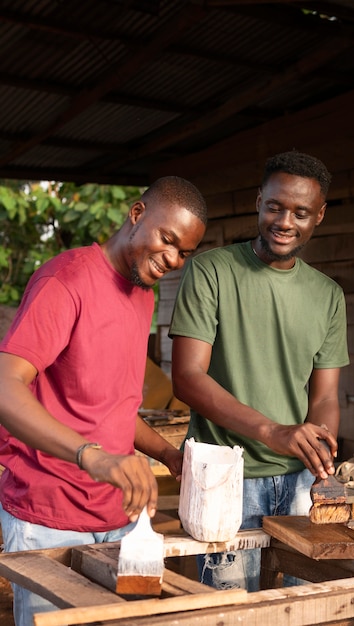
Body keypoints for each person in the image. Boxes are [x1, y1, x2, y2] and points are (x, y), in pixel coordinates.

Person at [0, 176, 207, 626]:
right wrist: (89, 456)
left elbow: (113, 406)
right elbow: (5, 386)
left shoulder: (142, 295)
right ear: (136, 214)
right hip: (47, 518)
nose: (172, 259)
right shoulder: (65, 280)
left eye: (184, 253)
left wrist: (167, 453)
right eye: (167, 239)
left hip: (119, 515)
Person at [169, 151, 349, 591]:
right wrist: (273, 432)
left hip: (301, 483)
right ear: (258, 202)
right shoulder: (211, 271)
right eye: (275, 206)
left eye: (300, 212)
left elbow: (324, 396)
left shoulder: (327, 295)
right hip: (226, 478)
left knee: (299, 610)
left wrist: (320, 454)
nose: (285, 221)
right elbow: (188, 378)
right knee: (230, 614)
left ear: (319, 216)